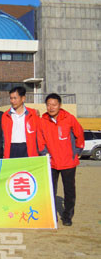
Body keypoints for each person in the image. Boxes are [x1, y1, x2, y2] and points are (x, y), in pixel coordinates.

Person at [38, 93, 85, 226]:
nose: (51, 107)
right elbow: (40, 141)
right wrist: (45, 154)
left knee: (69, 190)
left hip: (68, 162)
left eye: (54, 105)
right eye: (48, 105)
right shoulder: (42, 121)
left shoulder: (69, 118)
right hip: (51, 162)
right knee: (50, 190)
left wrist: (77, 151)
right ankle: (52, 215)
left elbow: (79, 134)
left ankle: (67, 216)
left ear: (60, 105)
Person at [2, 86, 40, 158]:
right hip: (12, 148)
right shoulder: (5, 115)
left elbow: (39, 134)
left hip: (28, 148)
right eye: (11, 98)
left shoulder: (33, 114)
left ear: (23, 98)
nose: (12, 101)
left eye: (15, 98)